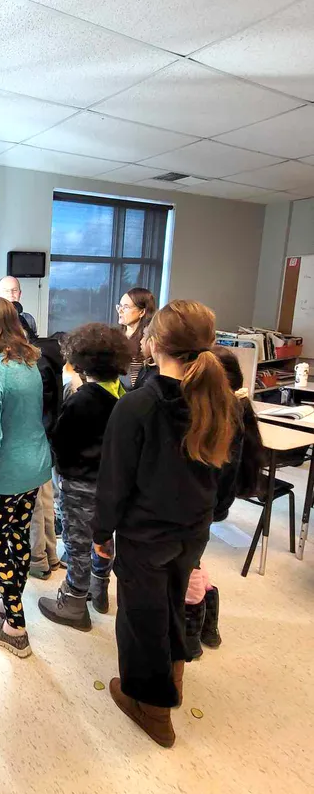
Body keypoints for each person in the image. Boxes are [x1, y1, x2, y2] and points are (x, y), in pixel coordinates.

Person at [92, 300, 241, 747]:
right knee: (174, 603)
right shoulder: (223, 402)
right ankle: (174, 679)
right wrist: (209, 514)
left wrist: (102, 532)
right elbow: (227, 476)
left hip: (145, 535)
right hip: (192, 532)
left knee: (142, 618)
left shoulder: (137, 407)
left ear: (153, 345)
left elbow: (114, 481)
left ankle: (153, 708)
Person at [38, 323, 131, 629]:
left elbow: (60, 440)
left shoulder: (81, 400)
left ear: (78, 361)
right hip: (114, 483)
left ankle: (74, 602)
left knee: (78, 543)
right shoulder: (124, 394)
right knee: (103, 537)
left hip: (80, 483)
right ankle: (100, 587)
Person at [0, 297, 52, 658]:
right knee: (18, 537)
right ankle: (11, 603)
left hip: (5, 473)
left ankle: (15, 627)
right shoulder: (28, 364)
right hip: (34, 467)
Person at [184, 348, 264, 658]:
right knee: (196, 562)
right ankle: (209, 623)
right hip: (208, 508)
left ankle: (191, 634)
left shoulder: (225, 421)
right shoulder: (234, 412)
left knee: (189, 568)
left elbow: (221, 477)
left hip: (202, 508)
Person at [28, 324, 66, 580]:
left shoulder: (33, 363)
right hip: (48, 438)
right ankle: (51, 555)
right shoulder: (50, 357)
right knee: (45, 500)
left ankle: (38, 560)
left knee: (33, 507)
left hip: (33, 440)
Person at [116, 286, 156, 387]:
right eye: (119, 306)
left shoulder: (147, 340)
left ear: (142, 312)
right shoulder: (115, 336)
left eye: (125, 307)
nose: (120, 311)